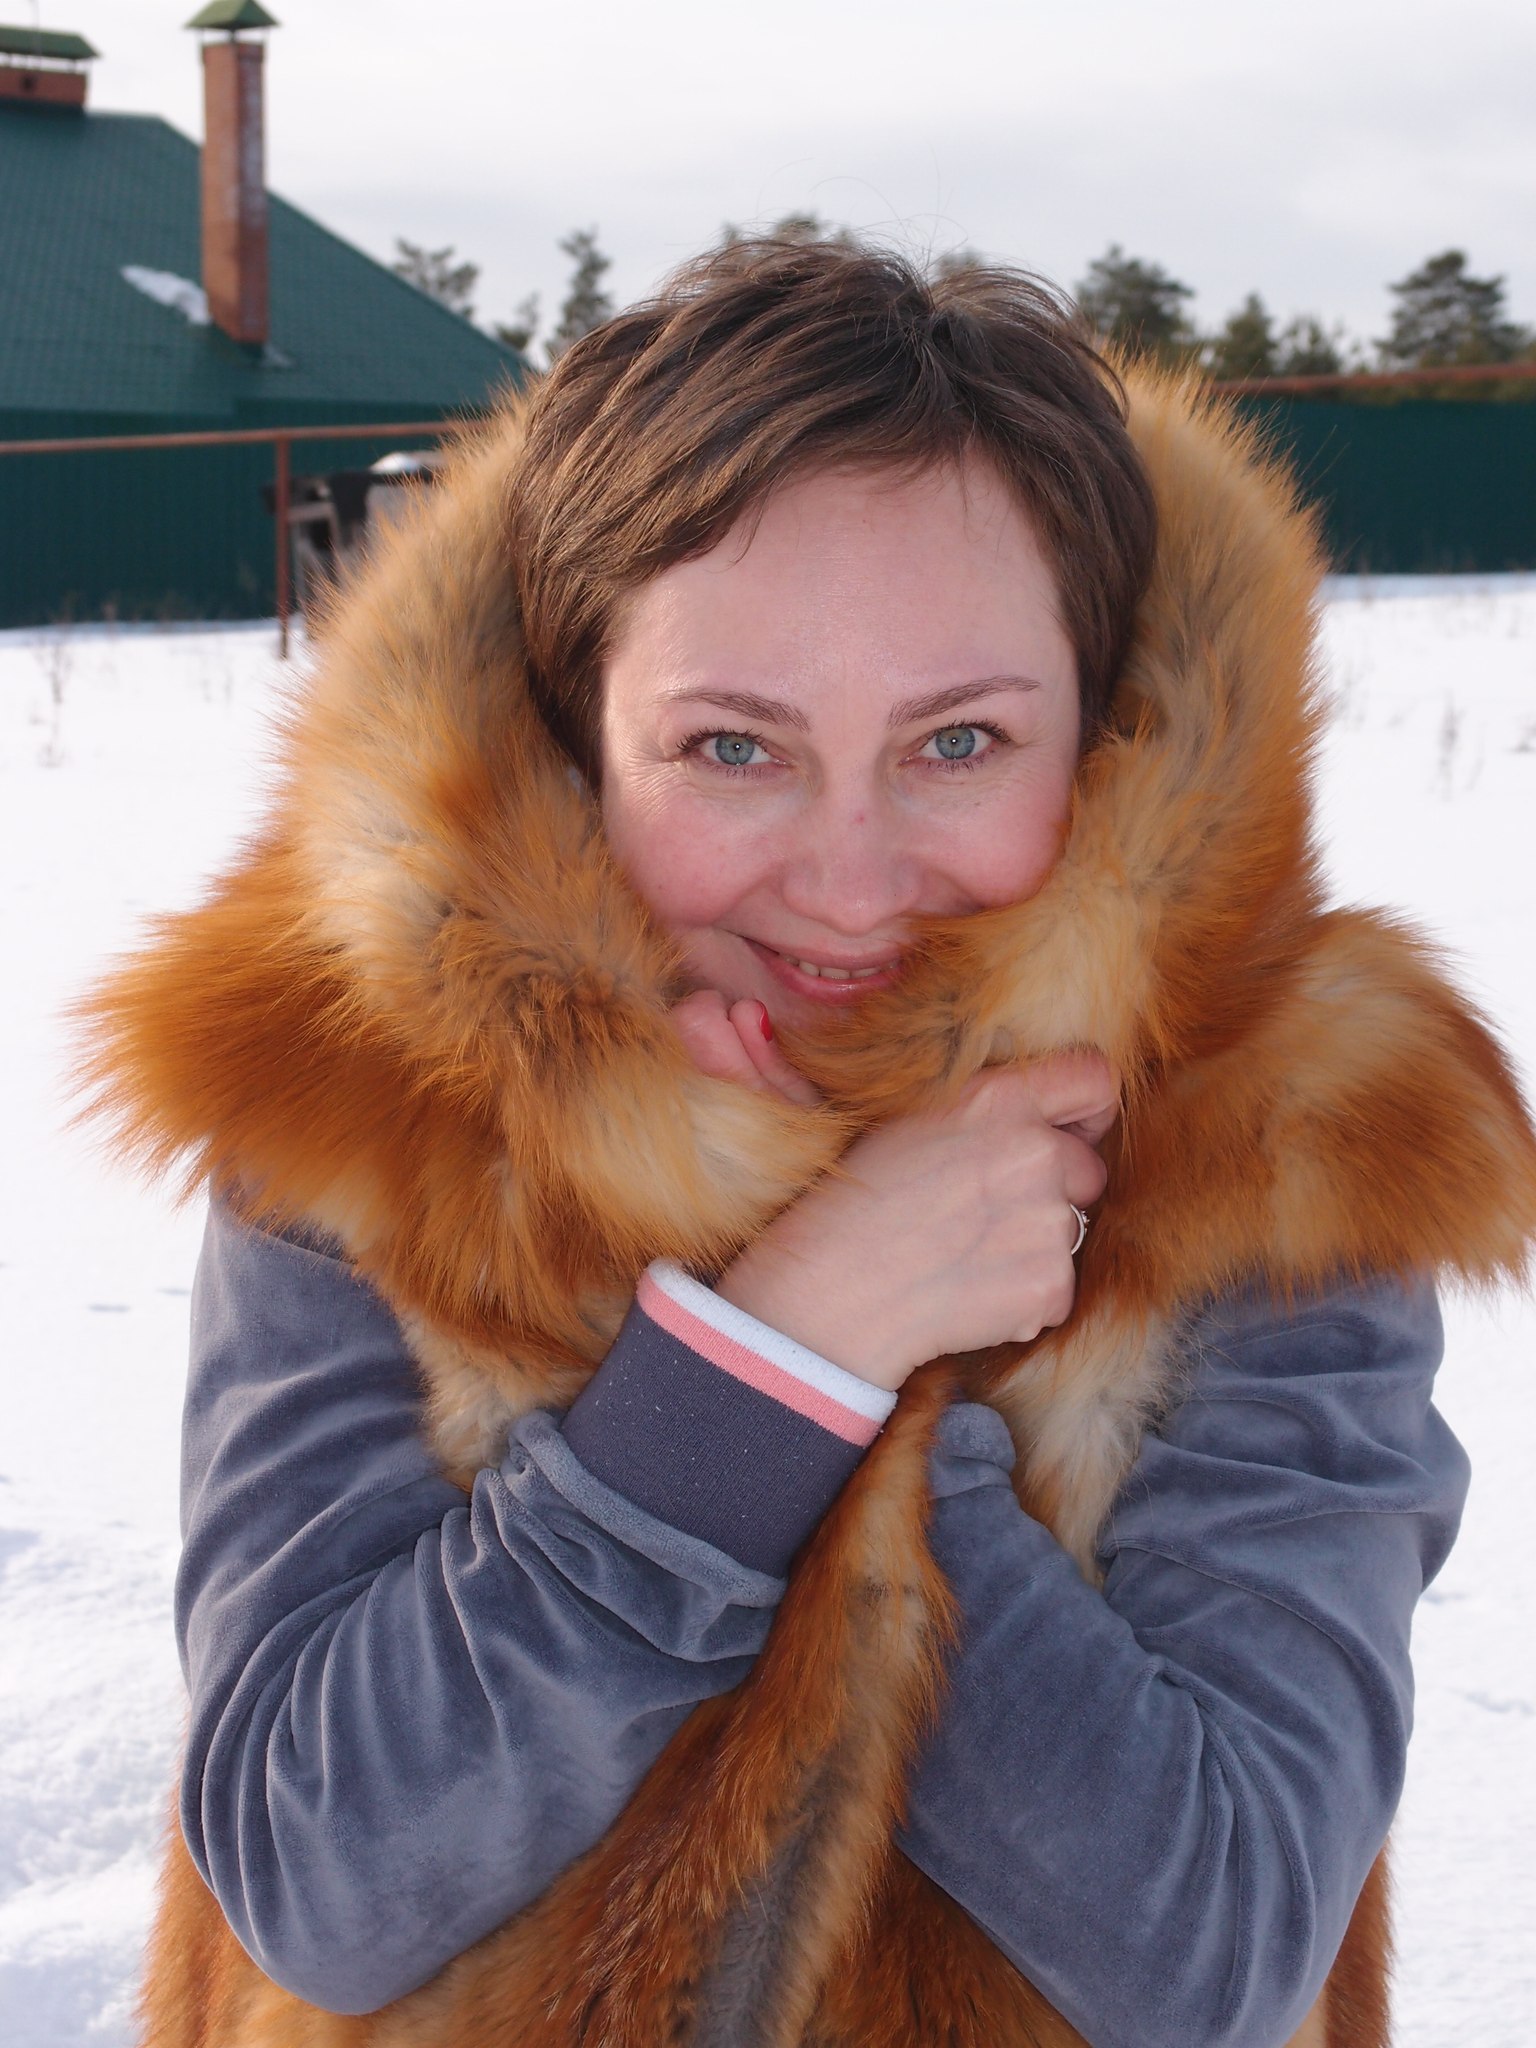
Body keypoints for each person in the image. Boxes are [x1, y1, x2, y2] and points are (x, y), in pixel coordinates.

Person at [85, 238, 1536, 2048]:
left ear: (1108, 734)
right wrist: (785, 1348)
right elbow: (320, 1877)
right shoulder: (371, 1110)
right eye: (731, 749)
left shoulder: (1278, 1140)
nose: (850, 884)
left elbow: (1214, 1953)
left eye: (958, 741)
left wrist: (849, 1427)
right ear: (575, 749)